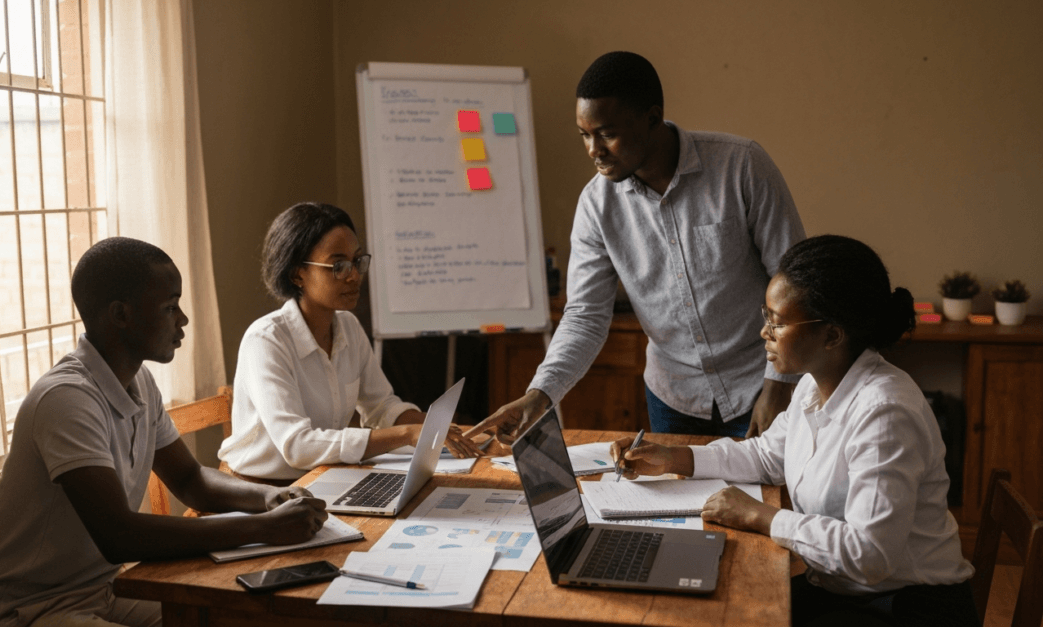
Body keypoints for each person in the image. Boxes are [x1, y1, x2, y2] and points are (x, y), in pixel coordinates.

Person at [612, 235, 979, 627]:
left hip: (906, 606)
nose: (763, 333)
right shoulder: (814, 382)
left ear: (832, 335)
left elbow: (869, 555)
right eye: (766, 317)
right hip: (846, 589)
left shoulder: (884, 413)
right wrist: (675, 457)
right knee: (720, 607)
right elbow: (766, 455)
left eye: (778, 322)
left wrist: (761, 516)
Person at [0, 237, 328, 627]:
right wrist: (263, 527)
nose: (183, 319)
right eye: (170, 307)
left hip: (104, 589)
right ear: (121, 314)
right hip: (30, 610)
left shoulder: (138, 380)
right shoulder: (67, 399)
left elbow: (191, 481)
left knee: (238, 616)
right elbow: (119, 536)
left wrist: (270, 497)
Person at [466, 51, 805, 444]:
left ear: (652, 118)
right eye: (585, 135)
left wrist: (779, 385)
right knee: (682, 504)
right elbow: (584, 317)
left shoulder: (741, 166)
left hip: (760, 387)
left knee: (762, 502)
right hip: (673, 400)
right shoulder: (596, 206)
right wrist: (539, 395)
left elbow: (794, 282)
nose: (594, 149)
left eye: (606, 133)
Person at [218, 202, 481, 484]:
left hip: (322, 478)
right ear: (297, 274)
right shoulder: (267, 340)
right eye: (338, 266)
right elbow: (298, 446)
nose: (354, 275)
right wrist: (407, 435)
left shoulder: (349, 327)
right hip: (259, 489)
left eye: (357, 261)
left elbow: (381, 407)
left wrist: (434, 427)